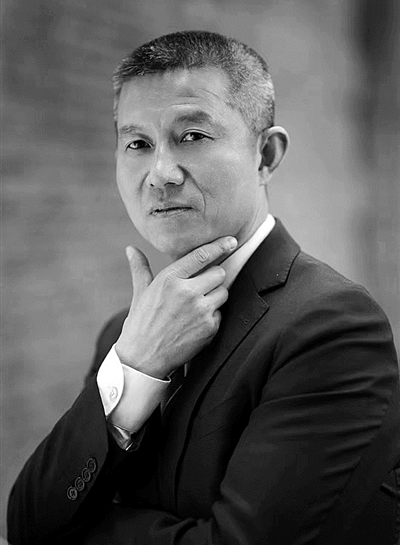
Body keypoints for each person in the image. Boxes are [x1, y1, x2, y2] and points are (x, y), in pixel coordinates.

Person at [7, 31, 400, 545]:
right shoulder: (126, 335)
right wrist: (137, 364)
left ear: (266, 155)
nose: (160, 174)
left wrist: (75, 533)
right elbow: (27, 523)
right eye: (137, 144)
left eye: (192, 135)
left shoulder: (332, 327)